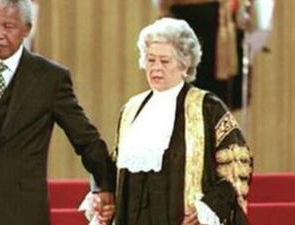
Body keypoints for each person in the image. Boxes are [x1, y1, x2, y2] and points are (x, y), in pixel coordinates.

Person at [0, 1, 115, 225]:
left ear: (27, 29)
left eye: (8, 26)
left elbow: (85, 139)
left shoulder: (50, 78)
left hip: (21, 210)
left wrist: (104, 185)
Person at [90, 18, 253, 225]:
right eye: (150, 60)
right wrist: (106, 198)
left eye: (165, 61)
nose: (156, 68)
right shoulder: (131, 109)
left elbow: (237, 163)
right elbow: (118, 165)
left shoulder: (208, 107)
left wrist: (210, 206)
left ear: (185, 65)